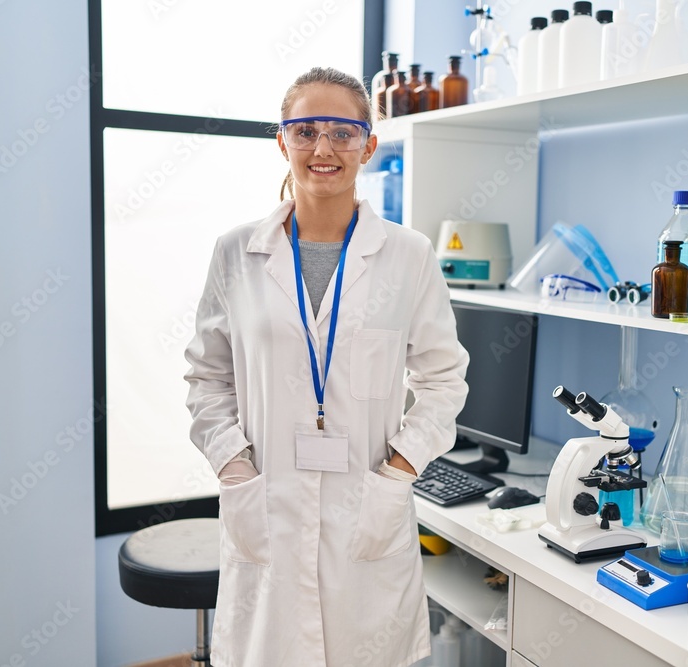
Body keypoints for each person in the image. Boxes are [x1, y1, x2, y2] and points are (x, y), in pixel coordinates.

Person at [184, 66, 469, 667]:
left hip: (366, 503)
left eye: (342, 132)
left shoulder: (408, 255)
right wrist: (233, 465)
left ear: (369, 144)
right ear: (280, 140)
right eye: (305, 129)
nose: (323, 148)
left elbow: (443, 379)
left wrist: (401, 466)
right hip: (266, 500)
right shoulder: (237, 252)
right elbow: (208, 377)